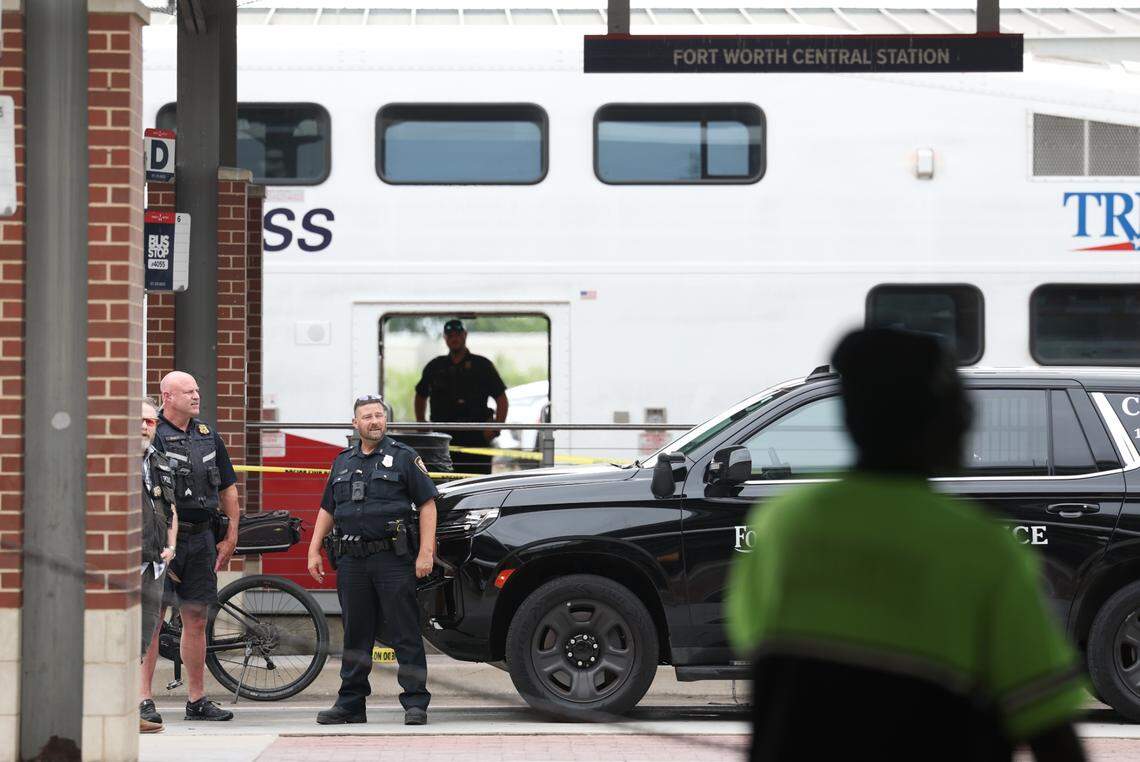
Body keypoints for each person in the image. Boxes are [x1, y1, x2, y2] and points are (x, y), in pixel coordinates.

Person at [726, 328, 1087, 762]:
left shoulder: (785, 525)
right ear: (937, 419)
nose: (969, 417)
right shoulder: (981, 548)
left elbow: (758, 642)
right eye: (960, 403)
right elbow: (1049, 726)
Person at [308, 394, 438, 726]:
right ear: (356, 424)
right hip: (352, 561)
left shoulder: (405, 457)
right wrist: (313, 548)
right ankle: (351, 703)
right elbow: (328, 508)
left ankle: (415, 702)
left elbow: (427, 505)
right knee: (355, 633)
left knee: (404, 631)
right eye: (367, 416)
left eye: (379, 415)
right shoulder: (342, 461)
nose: (374, 421)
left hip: (392, 559)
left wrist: (426, 552)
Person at [140, 371, 241, 722]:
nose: (197, 396)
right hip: (163, 539)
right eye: (188, 391)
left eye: (198, 389)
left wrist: (231, 535)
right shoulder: (154, 435)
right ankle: (143, 701)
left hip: (202, 538)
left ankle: (197, 700)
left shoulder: (207, 435)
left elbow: (228, 486)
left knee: (196, 618)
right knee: (153, 619)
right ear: (167, 396)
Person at [413, 319, 508, 475]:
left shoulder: (482, 365)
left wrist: (496, 428)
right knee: (442, 486)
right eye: (450, 335)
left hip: (476, 439)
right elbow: (420, 395)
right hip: (442, 440)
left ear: (465, 335)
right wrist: (421, 424)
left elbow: (501, 399)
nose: (454, 338)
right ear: (445, 338)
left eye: (458, 334)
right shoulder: (435, 366)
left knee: (477, 488)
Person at [139, 397, 177, 734]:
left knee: (141, 637)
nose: (143, 427)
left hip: (154, 567)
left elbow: (171, 509)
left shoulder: (160, 462)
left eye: (150, 421)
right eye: (138, 420)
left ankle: (129, 709)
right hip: (123, 568)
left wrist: (172, 545)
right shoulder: (113, 462)